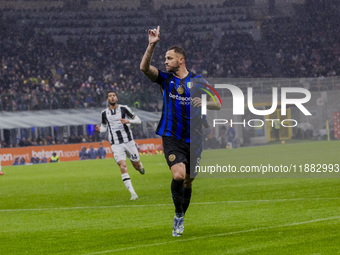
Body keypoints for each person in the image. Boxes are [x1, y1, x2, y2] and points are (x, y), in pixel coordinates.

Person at [140, 26, 221, 237]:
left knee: (188, 181)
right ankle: (177, 215)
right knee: (178, 175)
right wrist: (151, 45)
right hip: (172, 136)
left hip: (194, 139)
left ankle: (181, 216)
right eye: (165, 58)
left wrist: (204, 102)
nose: (165, 62)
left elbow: (218, 102)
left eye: (169, 58)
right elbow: (144, 69)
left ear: (181, 60)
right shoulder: (165, 79)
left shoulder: (199, 81)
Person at [95, 91, 146, 200]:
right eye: (109, 96)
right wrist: (100, 130)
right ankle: (133, 193)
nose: (112, 97)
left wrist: (129, 121)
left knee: (136, 166)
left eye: (113, 95)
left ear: (117, 98)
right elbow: (104, 126)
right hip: (116, 144)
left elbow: (138, 120)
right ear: (107, 99)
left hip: (129, 142)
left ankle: (140, 166)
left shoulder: (124, 108)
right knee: (122, 166)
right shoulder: (104, 113)